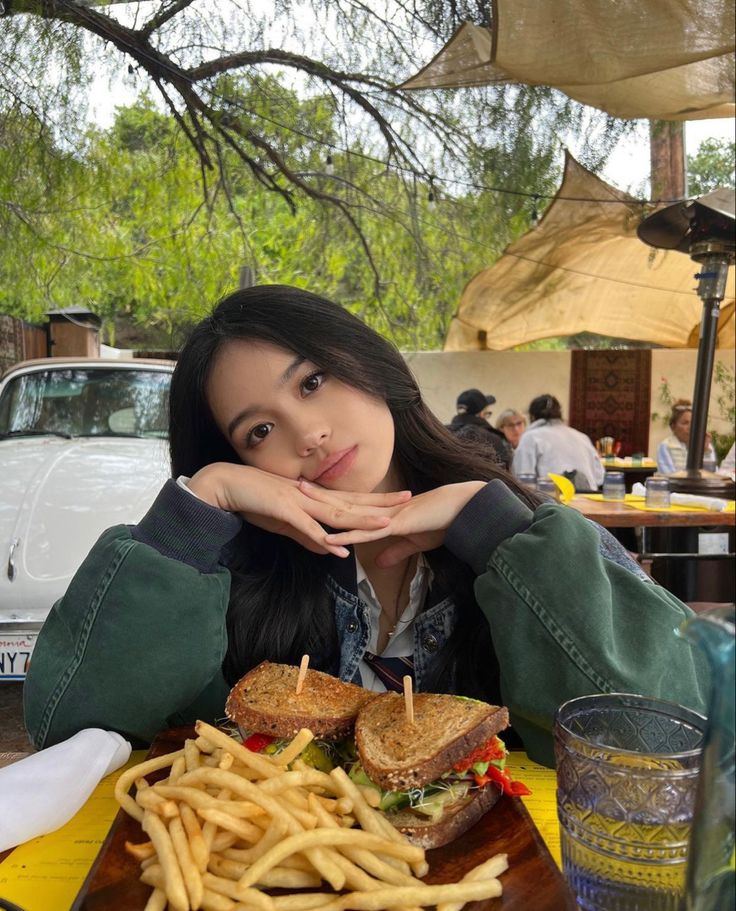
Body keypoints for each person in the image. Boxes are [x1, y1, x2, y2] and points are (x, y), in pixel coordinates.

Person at [24, 286, 706, 767]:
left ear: (370, 363)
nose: (309, 434)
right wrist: (203, 500)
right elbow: (69, 727)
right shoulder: (224, 573)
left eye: (313, 381)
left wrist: (497, 534)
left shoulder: (527, 531)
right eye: (259, 431)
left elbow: (666, 732)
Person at [512, 394, 605, 492]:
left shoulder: (530, 437)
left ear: (532, 416)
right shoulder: (582, 437)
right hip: (588, 499)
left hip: (552, 499)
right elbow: (599, 477)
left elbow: (523, 479)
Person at [447, 388, 512, 469]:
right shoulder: (491, 438)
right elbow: (504, 471)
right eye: (487, 412)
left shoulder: (443, 433)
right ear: (482, 414)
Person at [656, 399, 718, 474]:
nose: (691, 427)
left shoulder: (706, 446)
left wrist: (705, 451)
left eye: (694, 423)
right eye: (685, 423)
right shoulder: (665, 446)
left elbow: (712, 474)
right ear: (673, 427)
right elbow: (668, 476)